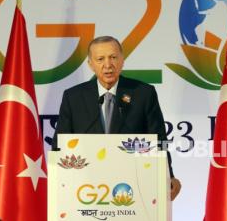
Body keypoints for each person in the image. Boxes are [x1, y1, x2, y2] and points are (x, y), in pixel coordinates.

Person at [52, 35, 181, 200]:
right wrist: (60, 181)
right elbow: (59, 145)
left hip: (133, 188)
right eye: (100, 59)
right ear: (90, 64)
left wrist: (168, 176)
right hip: (86, 188)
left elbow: (159, 140)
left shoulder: (143, 93)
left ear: (122, 60)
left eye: (113, 57)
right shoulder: (74, 97)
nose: (108, 65)